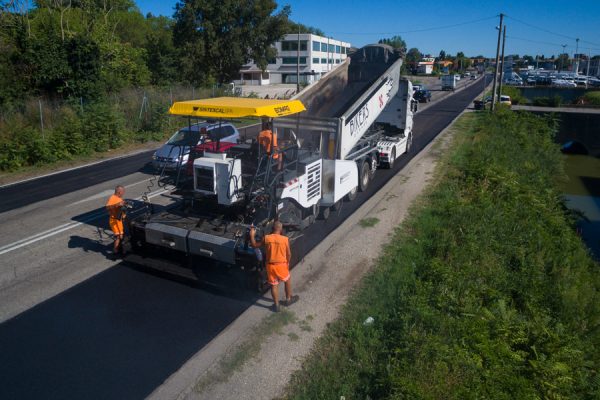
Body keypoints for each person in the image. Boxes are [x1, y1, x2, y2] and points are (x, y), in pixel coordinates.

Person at [249, 221, 298, 312]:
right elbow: (289, 254)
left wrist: (252, 235)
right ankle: (288, 299)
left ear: (272, 229)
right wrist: (287, 263)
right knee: (287, 281)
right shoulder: (285, 239)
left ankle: (276, 306)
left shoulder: (267, 238)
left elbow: (255, 245)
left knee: (274, 285)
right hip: (281, 265)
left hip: (270, 266)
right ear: (281, 229)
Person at [105, 185, 126, 258]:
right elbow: (107, 207)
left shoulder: (118, 198)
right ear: (119, 192)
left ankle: (117, 250)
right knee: (119, 236)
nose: (124, 193)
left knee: (120, 236)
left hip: (119, 220)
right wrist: (117, 205)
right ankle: (117, 251)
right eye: (123, 192)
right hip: (114, 221)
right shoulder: (112, 198)